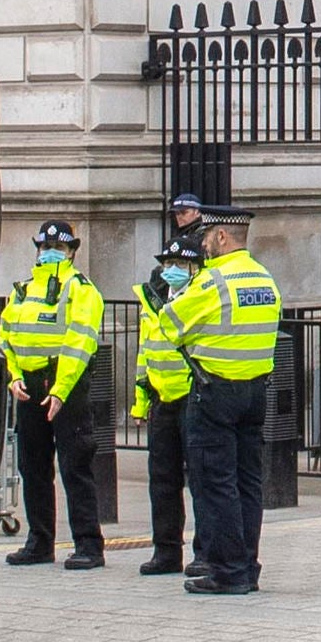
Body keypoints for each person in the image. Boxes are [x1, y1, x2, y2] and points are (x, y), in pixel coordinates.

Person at [170, 205, 283, 595]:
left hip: (215, 392)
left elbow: (171, 324)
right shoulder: (265, 279)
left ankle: (228, 570)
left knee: (216, 484)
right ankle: (247, 565)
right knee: (248, 482)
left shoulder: (213, 281)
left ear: (220, 237)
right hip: (255, 392)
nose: (203, 244)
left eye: (206, 237)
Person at [0, 219, 109, 568]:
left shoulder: (81, 290)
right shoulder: (23, 289)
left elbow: (80, 344)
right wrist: (13, 376)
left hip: (65, 385)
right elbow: (6, 336)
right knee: (33, 467)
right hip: (29, 387)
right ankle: (40, 542)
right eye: (44, 247)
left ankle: (88, 545)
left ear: (73, 251)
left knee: (75, 465)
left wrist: (60, 391)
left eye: (58, 248)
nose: (49, 254)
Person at [129, 235, 202, 576]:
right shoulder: (153, 299)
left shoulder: (201, 296)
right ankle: (166, 551)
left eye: (181, 265)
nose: (173, 271)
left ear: (195, 268)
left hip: (193, 397)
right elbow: (146, 352)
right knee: (162, 480)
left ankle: (204, 552)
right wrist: (141, 402)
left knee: (202, 479)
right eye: (168, 264)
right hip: (162, 399)